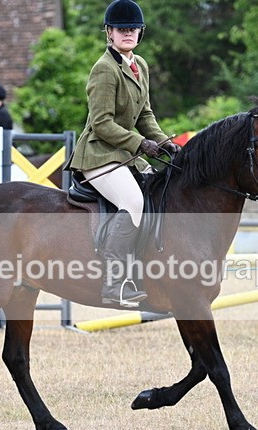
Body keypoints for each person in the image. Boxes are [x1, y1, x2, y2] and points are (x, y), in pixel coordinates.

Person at [64, 0, 180, 307]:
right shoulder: (104, 69)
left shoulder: (140, 65)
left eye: (133, 28)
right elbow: (101, 124)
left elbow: (146, 115)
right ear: (109, 33)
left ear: (140, 32)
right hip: (98, 154)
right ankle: (114, 283)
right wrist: (140, 144)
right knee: (133, 202)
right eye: (121, 28)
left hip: (124, 155)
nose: (128, 33)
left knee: (159, 192)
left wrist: (164, 142)